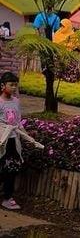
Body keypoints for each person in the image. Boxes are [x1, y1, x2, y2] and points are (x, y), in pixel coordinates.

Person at [0, 72, 44, 210]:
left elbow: (18, 123)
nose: (14, 88)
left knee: (12, 167)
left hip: (14, 140)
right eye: (11, 85)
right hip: (2, 140)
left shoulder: (16, 102)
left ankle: (7, 197)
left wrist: (29, 138)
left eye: (16, 85)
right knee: (2, 167)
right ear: (2, 86)